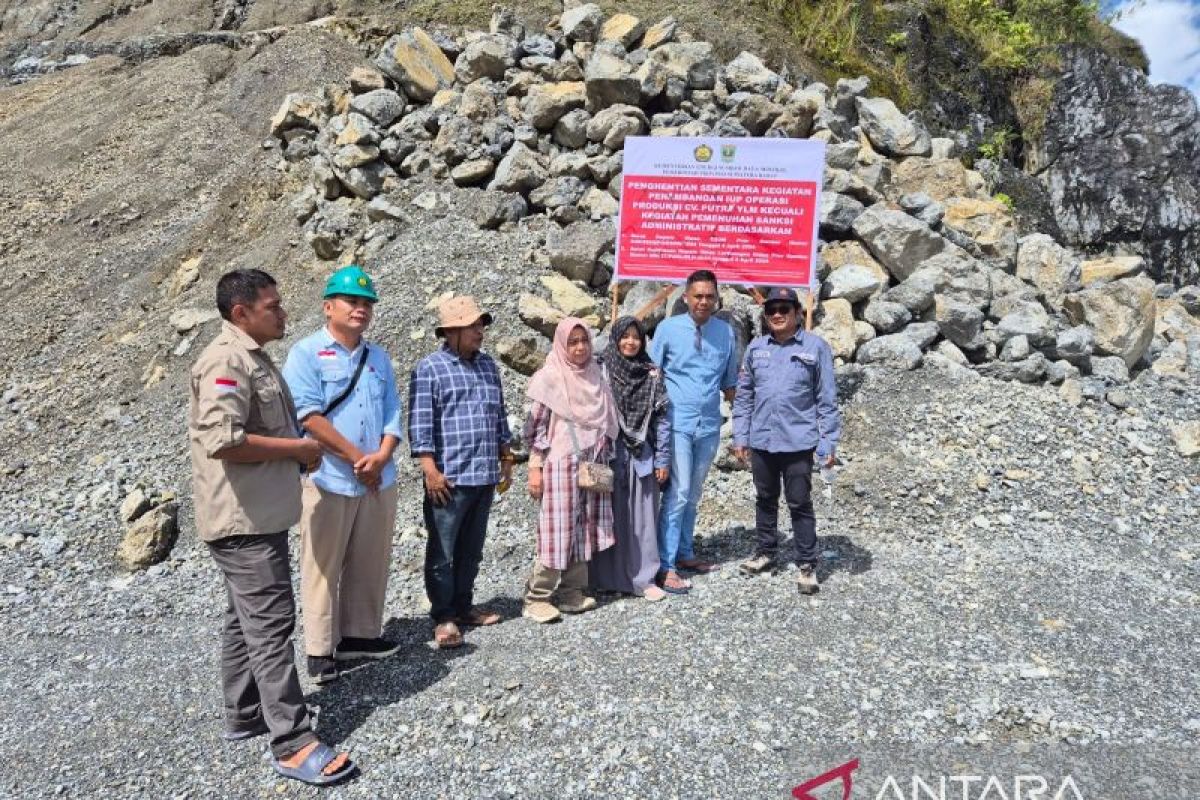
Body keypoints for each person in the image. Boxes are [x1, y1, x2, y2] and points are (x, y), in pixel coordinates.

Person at [189, 269, 354, 786]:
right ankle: (292, 741)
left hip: (256, 513)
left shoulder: (251, 357)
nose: (284, 313)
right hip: (243, 520)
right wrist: (301, 450)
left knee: (244, 618)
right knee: (271, 625)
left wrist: (294, 457)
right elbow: (224, 439)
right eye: (273, 306)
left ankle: (244, 714)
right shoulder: (225, 360)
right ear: (241, 313)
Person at [282, 265, 403, 685]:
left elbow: (392, 412)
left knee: (371, 559)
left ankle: (360, 635)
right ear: (328, 306)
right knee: (322, 565)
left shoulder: (378, 357)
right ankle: (319, 649)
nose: (361, 309)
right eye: (352, 301)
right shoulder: (306, 354)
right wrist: (358, 459)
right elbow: (309, 417)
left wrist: (382, 456)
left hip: (377, 478)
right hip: (329, 477)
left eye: (367, 303)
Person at [408, 296, 514, 649]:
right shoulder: (430, 369)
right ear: (451, 331)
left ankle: (464, 606)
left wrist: (506, 458)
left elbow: (499, 417)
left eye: (481, 324)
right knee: (443, 550)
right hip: (449, 478)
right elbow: (420, 424)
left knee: (472, 549)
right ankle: (444, 616)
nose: (480, 331)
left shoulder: (488, 367)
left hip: (483, 474)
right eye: (472, 326)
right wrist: (429, 470)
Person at [732, 287, 841, 594]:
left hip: (798, 442)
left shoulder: (816, 347)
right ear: (765, 316)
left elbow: (827, 399)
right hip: (762, 440)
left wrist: (828, 443)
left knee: (799, 503)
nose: (777, 315)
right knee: (765, 498)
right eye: (771, 310)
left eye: (784, 309)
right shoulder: (756, 348)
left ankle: (806, 564)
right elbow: (744, 398)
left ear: (796, 313)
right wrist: (741, 436)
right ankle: (766, 552)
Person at [523, 318, 619, 623]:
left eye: (584, 341)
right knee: (556, 528)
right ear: (562, 345)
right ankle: (537, 597)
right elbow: (533, 428)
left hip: (591, 463)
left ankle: (570, 593)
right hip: (559, 463)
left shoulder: (596, 375)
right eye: (572, 342)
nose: (579, 347)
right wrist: (534, 468)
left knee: (583, 526)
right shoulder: (549, 377)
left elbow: (608, 419)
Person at [649, 269, 739, 594]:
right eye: (697, 295)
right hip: (676, 423)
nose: (703, 301)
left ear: (717, 298)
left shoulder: (726, 333)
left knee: (694, 492)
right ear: (685, 297)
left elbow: (730, 383)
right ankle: (666, 565)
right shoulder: (667, 329)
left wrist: (744, 426)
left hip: (709, 425)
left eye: (709, 296)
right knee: (679, 492)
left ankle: (685, 553)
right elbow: (651, 375)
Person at [589, 316, 671, 602]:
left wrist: (663, 459)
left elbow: (662, 420)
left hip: (641, 454)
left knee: (643, 518)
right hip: (608, 453)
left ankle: (643, 578)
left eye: (636, 337)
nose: (630, 342)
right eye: (624, 336)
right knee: (609, 516)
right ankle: (605, 579)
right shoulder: (601, 369)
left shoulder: (651, 373)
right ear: (615, 338)